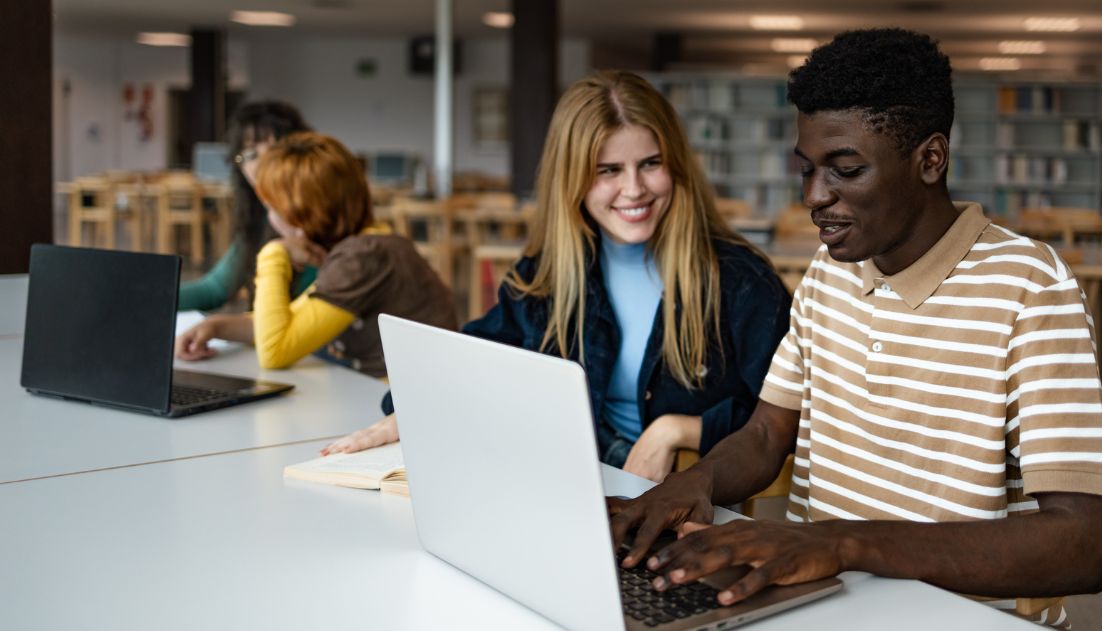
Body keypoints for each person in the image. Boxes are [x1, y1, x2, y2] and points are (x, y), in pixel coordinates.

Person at [608, 29, 1102, 628]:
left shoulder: (1031, 286)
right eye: (807, 169)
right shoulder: (830, 272)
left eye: (846, 170)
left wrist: (840, 544)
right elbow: (769, 434)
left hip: (953, 615)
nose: (815, 196)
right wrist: (695, 481)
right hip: (816, 602)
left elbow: (1086, 544)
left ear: (930, 159)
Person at [322, 70, 792, 483]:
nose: (634, 189)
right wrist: (415, 408)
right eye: (608, 170)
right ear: (572, 179)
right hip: (565, 482)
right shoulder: (547, 273)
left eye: (650, 163)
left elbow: (787, 416)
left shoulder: (740, 280)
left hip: (680, 503)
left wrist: (678, 428)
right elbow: (480, 353)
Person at [174, 132, 458, 377]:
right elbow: (292, 322)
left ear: (300, 212)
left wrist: (274, 253)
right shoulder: (365, 244)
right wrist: (216, 326)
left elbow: (275, 351)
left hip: (393, 406)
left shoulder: (362, 257)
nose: (270, 217)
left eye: (272, 207)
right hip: (375, 396)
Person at [177, 101, 318, 312]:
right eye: (249, 155)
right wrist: (149, 293)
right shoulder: (258, 221)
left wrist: (220, 327)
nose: (260, 164)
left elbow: (301, 323)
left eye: (273, 150)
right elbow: (214, 289)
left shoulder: (324, 222)